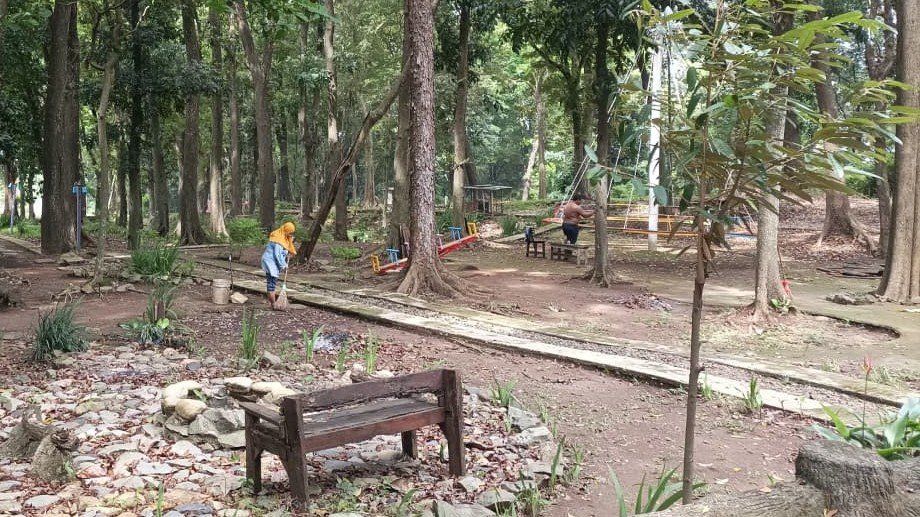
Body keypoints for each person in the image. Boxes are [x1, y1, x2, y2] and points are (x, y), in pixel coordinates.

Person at [261, 222, 297, 309]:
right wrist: (283, 265)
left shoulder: (283, 236)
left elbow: (286, 249)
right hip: (270, 262)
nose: (291, 234)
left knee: (272, 281)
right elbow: (277, 255)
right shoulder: (278, 239)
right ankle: (274, 304)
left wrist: (290, 241)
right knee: (271, 283)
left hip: (272, 262)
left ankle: (273, 303)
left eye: (292, 233)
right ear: (286, 230)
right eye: (290, 232)